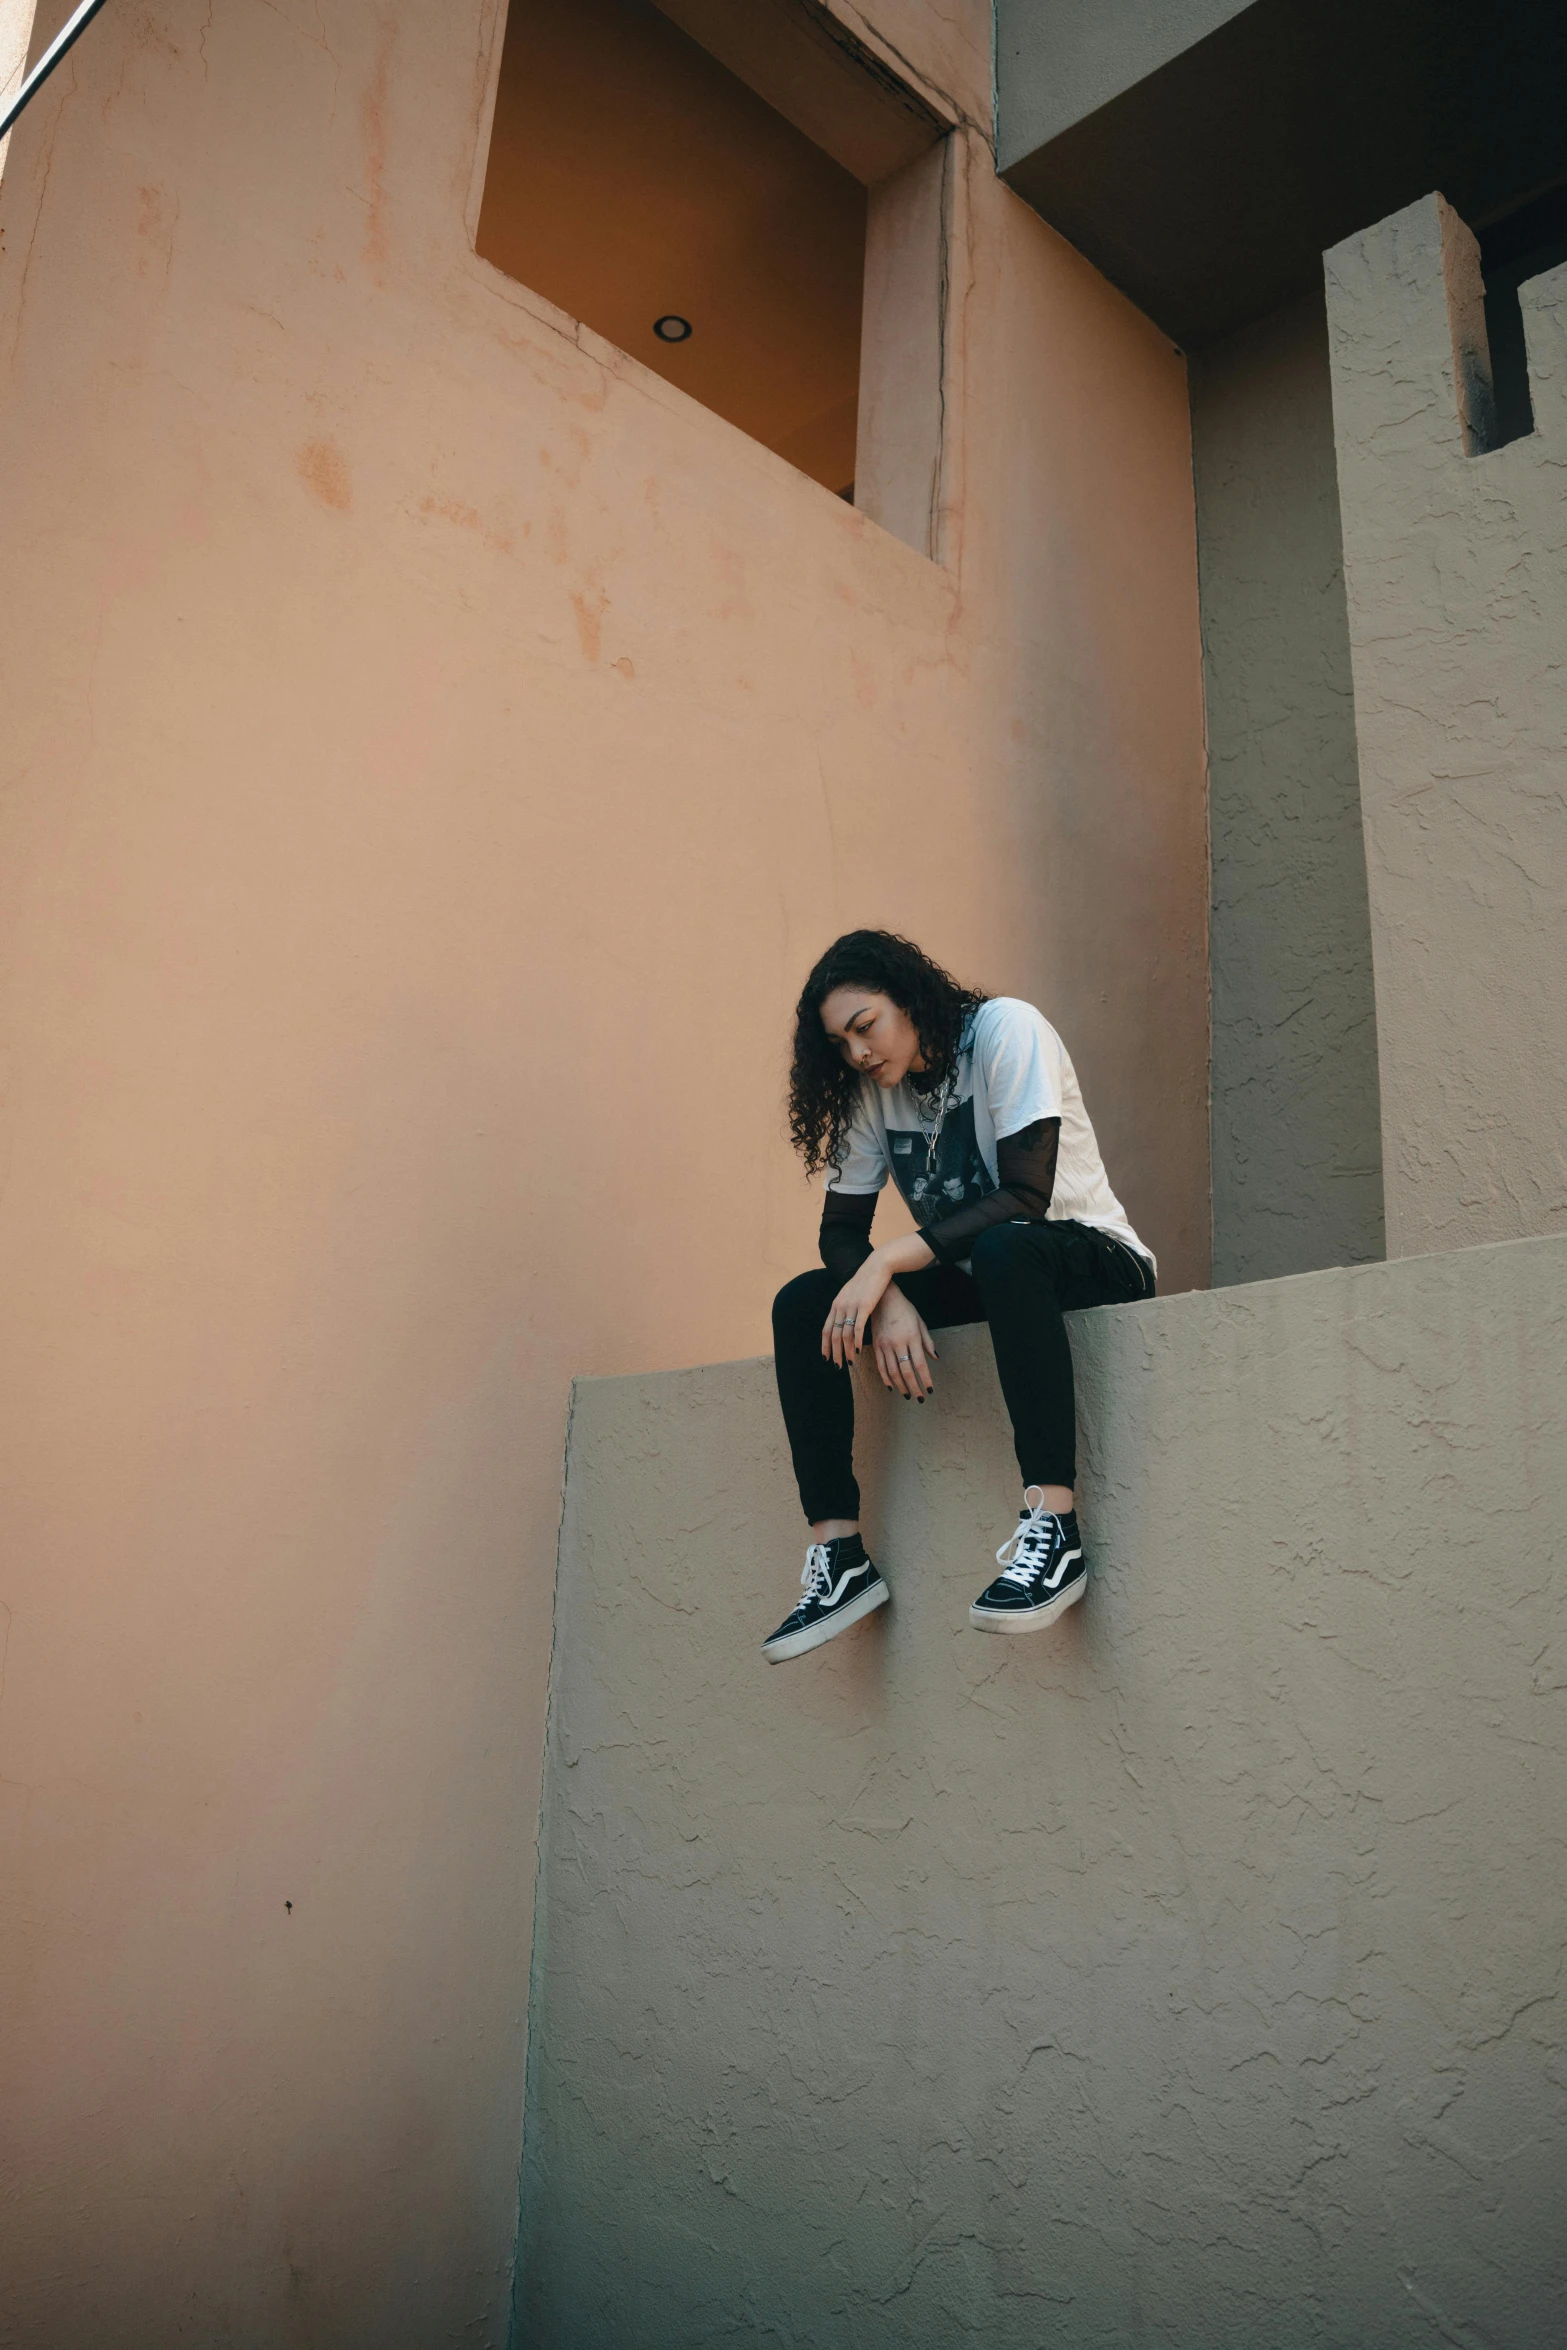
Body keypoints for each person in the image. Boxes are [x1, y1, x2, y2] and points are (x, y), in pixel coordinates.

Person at [764, 930, 1155, 1664]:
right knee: (802, 1303)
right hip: (992, 1276)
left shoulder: (1006, 1030)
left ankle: (1055, 1526)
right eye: (839, 1043)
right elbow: (840, 1231)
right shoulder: (869, 1093)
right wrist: (886, 1299)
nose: (856, 1053)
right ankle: (840, 1557)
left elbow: (1025, 1195)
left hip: (1088, 1257)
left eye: (864, 1027)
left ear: (908, 999)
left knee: (1005, 1245)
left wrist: (887, 1264)